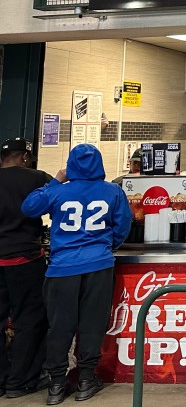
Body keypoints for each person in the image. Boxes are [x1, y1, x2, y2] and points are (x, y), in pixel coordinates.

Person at [21, 143, 131, 405]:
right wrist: (105, 246)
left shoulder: (59, 191)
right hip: (98, 266)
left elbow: (29, 207)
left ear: (70, 165)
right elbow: (123, 226)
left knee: (60, 327)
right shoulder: (113, 191)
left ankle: (56, 385)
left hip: (62, 268)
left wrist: (56, 181)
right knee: (92, 325)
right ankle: (86, 380)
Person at [0, 138, 52, 399]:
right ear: (25, 157)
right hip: (25, 260)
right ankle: (20, 381)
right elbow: (62, 198)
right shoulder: (36, 178)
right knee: (30, 321)